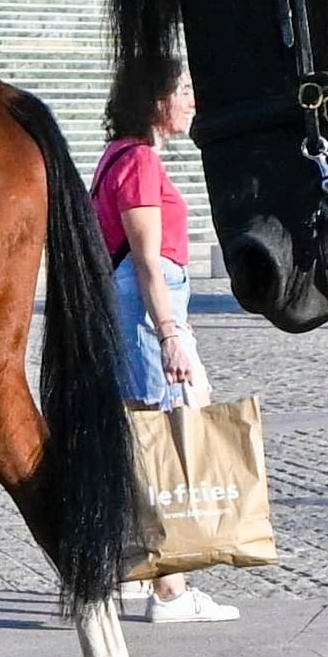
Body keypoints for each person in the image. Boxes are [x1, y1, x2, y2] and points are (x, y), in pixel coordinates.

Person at [95, 61, 237, 624]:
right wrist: (171, 332)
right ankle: (172, 590)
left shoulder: (118, 156)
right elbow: (148, 259)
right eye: (182, 89)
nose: (192, 99)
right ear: (153, 100)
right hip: (144, 304)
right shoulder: (138, 160)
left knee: (141, 434)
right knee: (158, 439)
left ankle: (134, 569)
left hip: (142, 304)